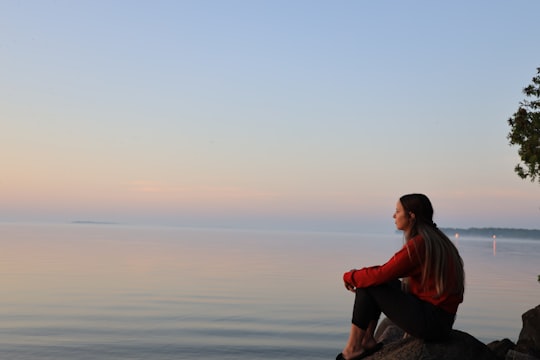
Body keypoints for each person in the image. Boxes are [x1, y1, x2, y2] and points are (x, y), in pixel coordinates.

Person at [336, 193, 465, 360]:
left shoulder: (421, 244)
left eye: (397, 211)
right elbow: (386, 273)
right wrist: (358, 275)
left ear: (411, 216)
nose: (393, 215)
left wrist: (349, 276)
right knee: (374, 280)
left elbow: (382, 274)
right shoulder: (436, 240)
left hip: (432, 323)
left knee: (370, 283)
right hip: (441, 321)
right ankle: (367, 340)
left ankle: (353, 349)